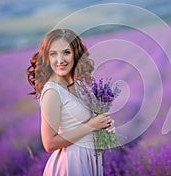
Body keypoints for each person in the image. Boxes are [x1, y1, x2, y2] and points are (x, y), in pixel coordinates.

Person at [27, 28, 115, 176]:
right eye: (53, 54)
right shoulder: (52, 92)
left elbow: (85, 122)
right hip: (71, 164)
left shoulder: (78, 85)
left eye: (66, 52)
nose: (60, 60)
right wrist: (91, 126)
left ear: (76, 54)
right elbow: (49, 144)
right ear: (47, 58)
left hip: (89, 159)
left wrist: (103, 125)